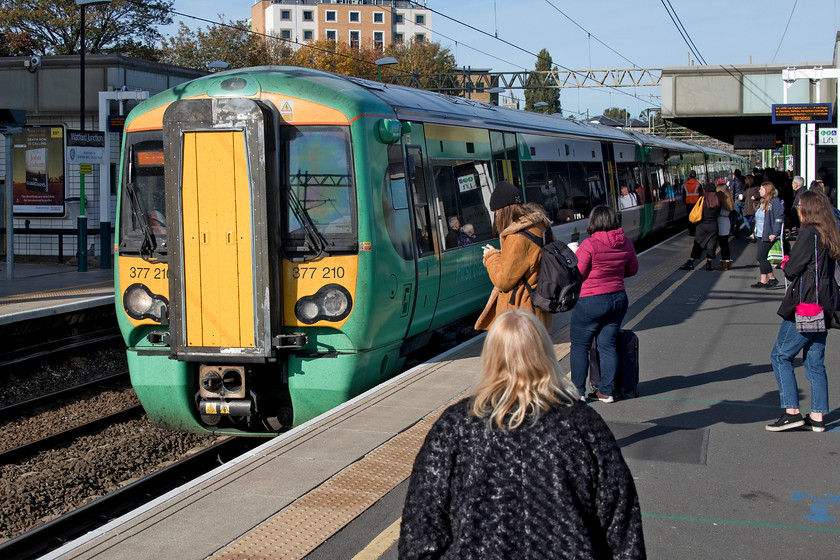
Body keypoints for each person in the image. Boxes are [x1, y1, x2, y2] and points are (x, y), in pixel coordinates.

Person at [399, 309, 646, 559]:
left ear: (489, 357)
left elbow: (421, 528)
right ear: (545, 354)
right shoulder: (584, 425)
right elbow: (621, 526)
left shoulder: (454, 426)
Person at [766, 191, 840, 432]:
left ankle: (792, 412)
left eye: (799, 207)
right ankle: (818, 417)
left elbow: (793, 269)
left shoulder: (809, 234)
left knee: (780, 355)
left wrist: (784, 263)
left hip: (807, 304)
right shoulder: (830, 233)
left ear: (806, 210)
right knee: (815, 361)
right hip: (825, 304)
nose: (797, 210)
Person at [570, 205, 639, 403]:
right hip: (618, 299)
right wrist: (613, 276)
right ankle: (606, 391)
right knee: (607, 345)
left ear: (593, 221)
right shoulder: (626, 243)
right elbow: (632, 269)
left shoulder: (590, 245)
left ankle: (578, 392)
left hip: (591, 301)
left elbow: (579, 273)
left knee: (580, 345)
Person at [475, 181, 553, 332]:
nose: (496, 216)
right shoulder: (540, 227)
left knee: (520, 355)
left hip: (521, 315)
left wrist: (491, 257)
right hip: (539, 308)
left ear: (503, 211)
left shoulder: (517, 237)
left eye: (496, 212)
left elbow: (504, 281)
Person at [679, 182, 721, 271]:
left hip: (701, 226)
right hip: (713, 226)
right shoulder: (718, 201)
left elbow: (698, 212)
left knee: (697, 245)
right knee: (711, 245)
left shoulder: (702, 200)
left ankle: (690, 263)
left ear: (705, 191)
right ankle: (708, 264)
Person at [752, 181, 785, 289]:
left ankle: (772, 278)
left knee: (760, 257)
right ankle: (763, 280)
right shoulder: (765, 201)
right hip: (761, 233)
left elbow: (779, 218)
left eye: (761, 189)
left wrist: (774, 233)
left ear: (767, 190)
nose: (759, 191)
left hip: (768, 234)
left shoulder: (774, 202)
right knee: (763, 257)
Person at [712, 184, 735, 271]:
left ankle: (724, 264)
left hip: (721, 221)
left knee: (723, 244)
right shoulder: (729, 200)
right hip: (726, 221)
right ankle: (727, 263)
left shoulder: (720, 200)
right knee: (725, 244)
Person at [743, 174, 760, 239]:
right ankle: (753, 233)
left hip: (753, 206)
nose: (745, 180)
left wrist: (755, 196)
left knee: (753, 221)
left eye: (746, 179)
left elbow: (760, 194)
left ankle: (754, 235)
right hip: (747, 207)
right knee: (749, 221)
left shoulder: (756, 187)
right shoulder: (746, 188)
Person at [729, 169, 746, 234]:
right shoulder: (743, 180)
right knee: (744, 215)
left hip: (736, 201)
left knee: (735, 216)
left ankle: (734, 229)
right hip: (742, 200)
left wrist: (731, 201)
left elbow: (732, 192)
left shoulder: (733, 182)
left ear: (734, 174)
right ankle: (749, 230)